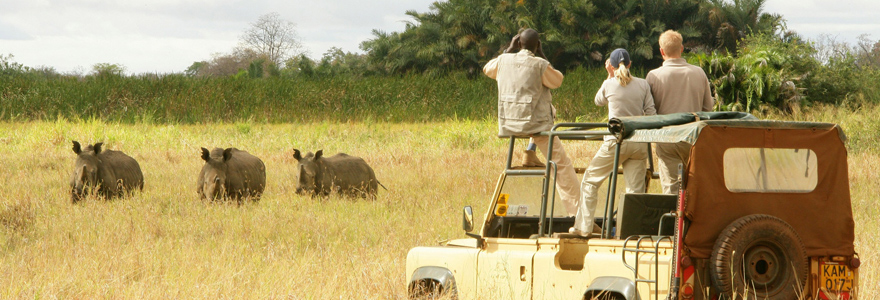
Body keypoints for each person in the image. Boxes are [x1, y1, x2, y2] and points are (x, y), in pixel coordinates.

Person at [483, 28, 581, 216]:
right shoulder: (539, 64)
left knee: (548, 108)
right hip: (535, 126)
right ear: (537, 46)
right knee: (561, 165)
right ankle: (577, 214)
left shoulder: (503, 61)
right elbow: (557, 81)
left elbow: (487, 69)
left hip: (509, 124)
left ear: (517, 43)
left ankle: (530, 152)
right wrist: (543, 56)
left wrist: (507, 51)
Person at [572, 48, 656, 236]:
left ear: (610, 65)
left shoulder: (609, 84)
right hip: (639, 142)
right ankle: (630, 233)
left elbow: (598, 101)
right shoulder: (643, 84)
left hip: (616, 141)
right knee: (635, 191)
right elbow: (651, 113)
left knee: (590, 181)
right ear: (630, 64)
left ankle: (583, 228)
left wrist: (609, 76)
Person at [646, 30, 714, 195]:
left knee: (672, 190)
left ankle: (674, 220)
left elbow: (649, 112)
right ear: (682, 48)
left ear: (662, 51)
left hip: (668, 139)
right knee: (696, 189)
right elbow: (708, 108)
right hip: (695, 138)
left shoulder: (653, 76)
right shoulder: (699, 73)